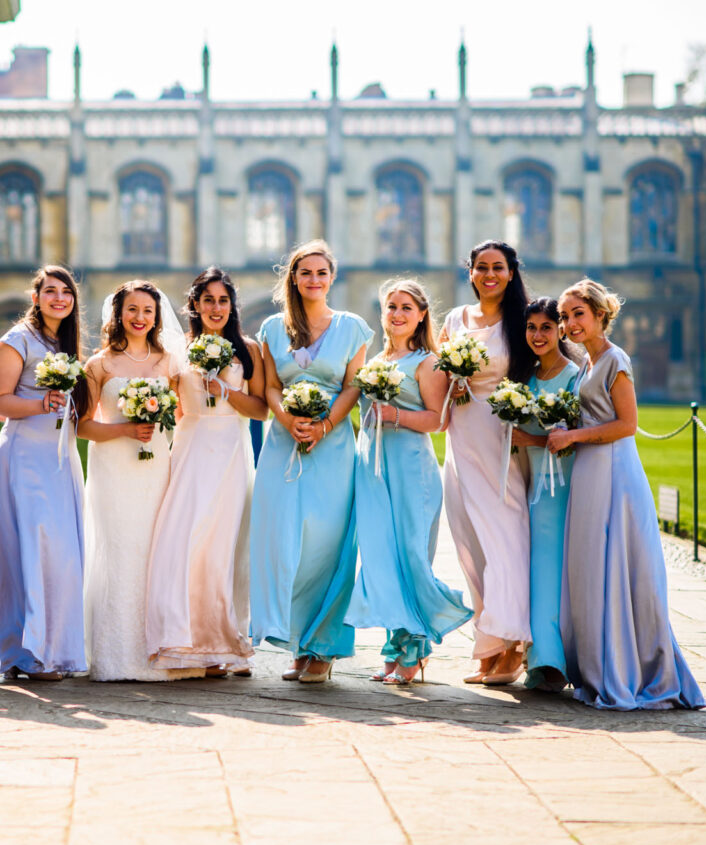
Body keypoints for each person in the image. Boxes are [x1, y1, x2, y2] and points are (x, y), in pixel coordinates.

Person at [548, 280, 706, 710]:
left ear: (601, 314)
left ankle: (632, 671)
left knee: (618, 563)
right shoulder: (585, 363)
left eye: (578, 313)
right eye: (564, 316)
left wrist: (573, 435)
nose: (569, 323)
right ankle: (600, 665)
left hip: (615, 470)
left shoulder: (615, 359)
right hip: (590, 469)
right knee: (592, 566)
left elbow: (627, 425)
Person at [249, 239, 372, 684]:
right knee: (284, 544)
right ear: (294, 279)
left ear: (332, 277)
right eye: (306, 273)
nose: (314, 280)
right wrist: (288, 421)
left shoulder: (353, 327)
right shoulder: (270, 329)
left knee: (327, 545)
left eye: (321, 272)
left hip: (333, 447)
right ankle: (299, 640)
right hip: (282, 446)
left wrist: (323, 426)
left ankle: (323, 648)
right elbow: (269, 388)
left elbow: (354, 387)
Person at [346, 280, 472, 686]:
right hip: (373, 466)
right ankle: (392, 648)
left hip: (410, 467)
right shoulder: (376, 357)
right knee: (382, 558)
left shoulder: (427, 362)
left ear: (421, 315)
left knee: (410, 557)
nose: (397, 314)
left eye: (405, 307)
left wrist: (394, 416)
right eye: (390, 307)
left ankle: (415, 648)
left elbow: (438, 420)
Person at [145, 267, 266, 677]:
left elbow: (261, 409)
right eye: (208, 300)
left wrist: (227, 392)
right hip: (193, 447)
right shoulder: (177, 351)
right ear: (194, 304)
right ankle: (195, 641)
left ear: (232, 306)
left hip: (232, 449)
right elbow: (172, 406)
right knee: (189, 542)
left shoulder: (248, 349)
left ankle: (229, 639)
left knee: (227, 545)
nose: (216, 307)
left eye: (223, 300)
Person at [80, 281, 203, 682]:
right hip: (113, 468)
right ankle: (114, 654)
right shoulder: (98, 365)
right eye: (132, 309)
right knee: (118, 550)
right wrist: (125, 431)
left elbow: (184, 419)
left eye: (147, 311)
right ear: (118, 315)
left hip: (156, 469)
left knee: (154, 552)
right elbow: (82, 427)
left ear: (157, 316)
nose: (139, 318)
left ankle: (156, 651)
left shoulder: (170, 363)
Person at [0, 265, 90, 681]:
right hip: (25, 456)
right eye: (50, 292)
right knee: (29, 550)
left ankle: (59, 648)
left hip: (61, 458)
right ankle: (27, 654)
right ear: (36, 298)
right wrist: (40, 405)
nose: (59, 299)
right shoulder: (16, 342)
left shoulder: (65, 344)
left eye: (66, 292)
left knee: (63, 555)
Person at [441, 240, 534, 685]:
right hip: (460, 437)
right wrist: (453, 384)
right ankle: (489, 642)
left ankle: (514, 644)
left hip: (502, 437)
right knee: (469, 542)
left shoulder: (524, 321)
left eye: (498, 267)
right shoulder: (454, 320)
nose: (490, 274)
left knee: (505, 540)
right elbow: (438, 379)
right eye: (481, 267)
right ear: (471, 272)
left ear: (511, 273)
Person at [509, 297, 580, 691]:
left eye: (546, 327)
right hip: (534, 484)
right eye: (532, 327)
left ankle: (556, 661)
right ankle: (540, 658)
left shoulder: (573, 376)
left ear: (561, 330)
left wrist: (532, 438)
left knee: (554, 571)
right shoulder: (527, 377)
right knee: (536, 571)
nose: (538, 335)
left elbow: (574, 441)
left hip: (564, 486)